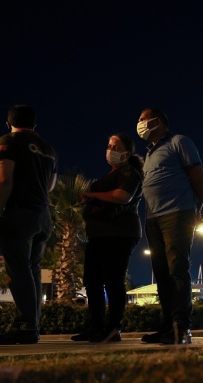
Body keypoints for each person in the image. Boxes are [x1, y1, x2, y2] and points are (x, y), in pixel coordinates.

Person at [136, 107, 203, 345]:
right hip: (153, 219)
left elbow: (199, 177)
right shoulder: (149, 152)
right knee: (162, 274)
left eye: (144, 119)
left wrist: (196, 209)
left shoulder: (179, 142)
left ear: (159, 121)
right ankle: (167, 326)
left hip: (177, 214)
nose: (140, 123)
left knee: (177, 269)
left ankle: (181, 327)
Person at [0, 105, 58, 345]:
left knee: (18, 269)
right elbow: (50, 186)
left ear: (8, 123)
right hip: (43, 215)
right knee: (33, 269)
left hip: (19, 212)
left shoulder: (9, 140)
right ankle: (26, 322)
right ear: (35, 125)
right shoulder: (49, 149)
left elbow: (4, 178)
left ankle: (28, 327)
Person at [71, 133, 143, 342]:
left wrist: (92, 195)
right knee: (92, 281)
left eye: (115, 146)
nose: (110, 149)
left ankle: (113, 328)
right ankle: (96, 327)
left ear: (126, 153)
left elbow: (123, 196)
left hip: (118, 233)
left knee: (113, 280)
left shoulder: (129, 172)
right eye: (109, 145)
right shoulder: (109, 175)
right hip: (98, 235)